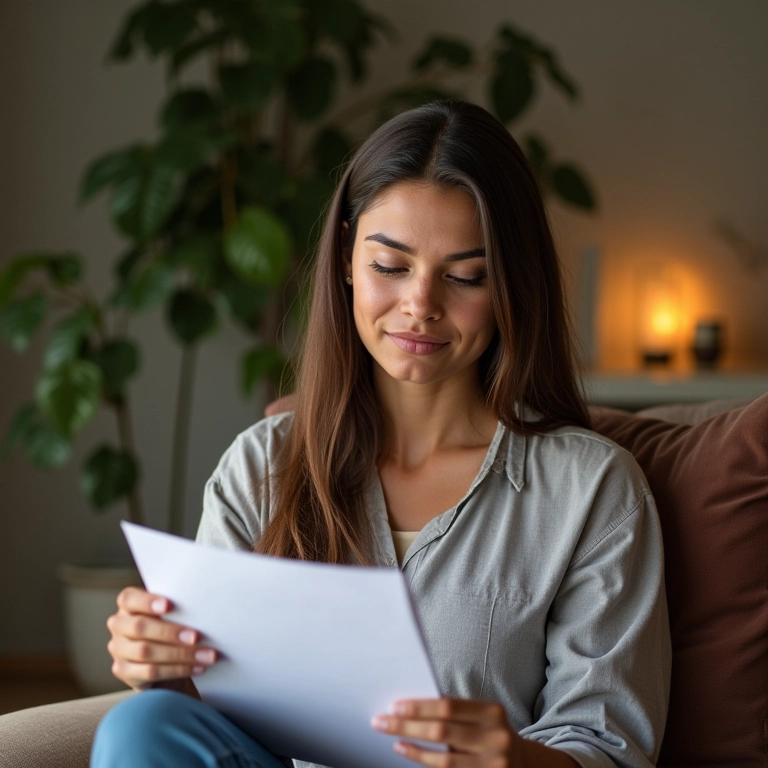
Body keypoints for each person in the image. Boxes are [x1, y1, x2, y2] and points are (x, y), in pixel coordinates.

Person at [91, 99, 671, 768]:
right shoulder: (261, 468)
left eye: (464, 276)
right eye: (390, 267)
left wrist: (513, 757)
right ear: (345, 257)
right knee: (141, 725)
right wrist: (159, 665)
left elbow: (611, 746)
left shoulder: (590, 490)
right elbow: (213, 719)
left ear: (510, 283)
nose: (420, 305)